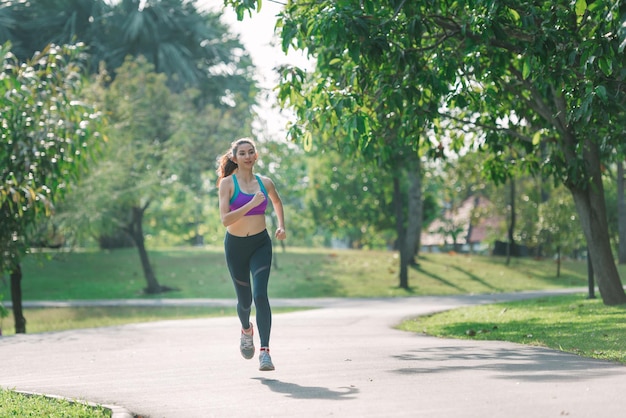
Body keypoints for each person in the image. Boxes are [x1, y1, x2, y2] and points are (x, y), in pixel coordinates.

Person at [216, 138, 286, 371]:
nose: (247, 156)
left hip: (260, 244)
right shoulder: (227, 184)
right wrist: (251, 204)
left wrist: (281, 225)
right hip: (235, 246)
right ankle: (246, 329)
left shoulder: (265, 182)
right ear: (235, 158)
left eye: (251, 152)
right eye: (242, 153)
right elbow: (225, 219)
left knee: (260, 296)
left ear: (256, 156)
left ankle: (265, 352)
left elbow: (276, 201)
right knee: (245, 302)